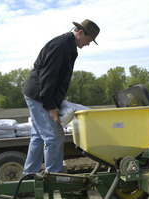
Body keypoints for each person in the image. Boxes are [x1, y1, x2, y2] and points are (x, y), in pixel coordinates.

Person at [21, 19, 100, 175]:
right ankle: (54, 176)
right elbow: (47, 77)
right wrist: (51, 106)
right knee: (54, 136)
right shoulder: (60, 45)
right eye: (88, 40)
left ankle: (29, 175)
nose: (88, 44)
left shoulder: (68, 45)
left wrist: (59, 100)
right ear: (81, 32)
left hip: (37, 93)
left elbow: (57, 78)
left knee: (38, 136)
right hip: (39, 95)